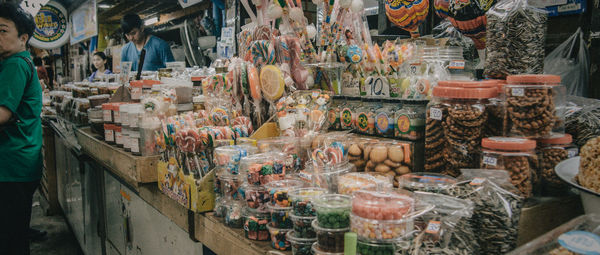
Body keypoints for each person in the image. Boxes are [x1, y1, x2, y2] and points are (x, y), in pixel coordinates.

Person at [0, 3, 43, 255]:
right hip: (19, 162)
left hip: (12, 165)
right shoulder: (18, 62)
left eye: (3, 30)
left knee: (9, 242)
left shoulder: (16, 64)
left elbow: (2, 114)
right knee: (13, 236)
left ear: (23, 38)